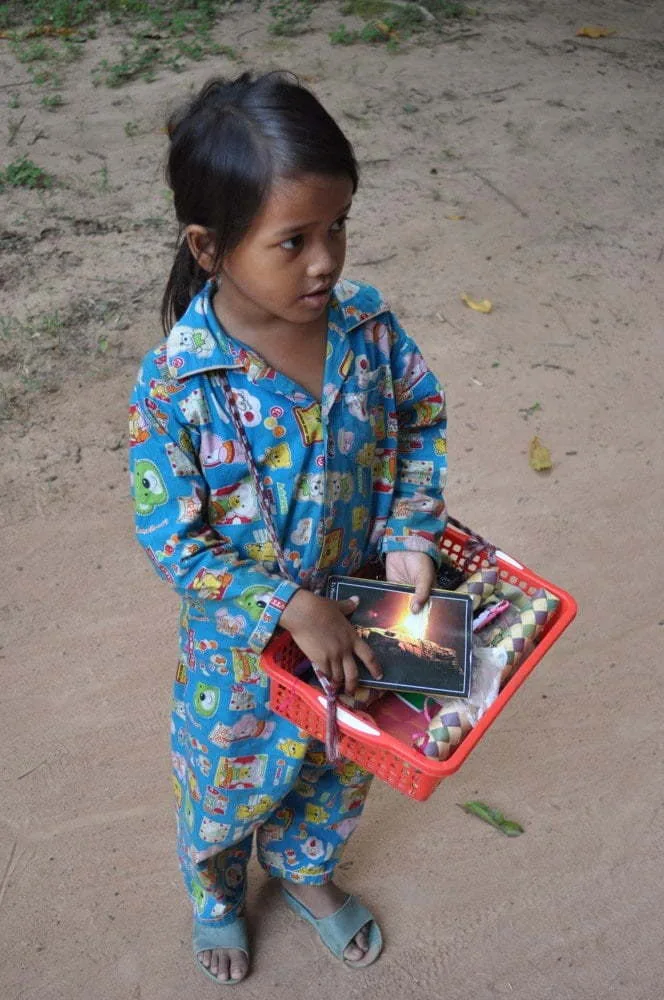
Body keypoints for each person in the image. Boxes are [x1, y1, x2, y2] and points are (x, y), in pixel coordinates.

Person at [129, 70, 448, 985]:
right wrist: (284, 603)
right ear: (211, 245)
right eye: (294, 240)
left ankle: (305, 869)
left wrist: (411, 534)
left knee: (339, 762)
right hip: (238, 657)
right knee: (225, 775)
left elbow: (421, 423)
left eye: (338, 226)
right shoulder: (175, 387)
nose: (326, 261)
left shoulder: (371, 330)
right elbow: (174, 542)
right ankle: (220, 891)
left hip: (362, 619)